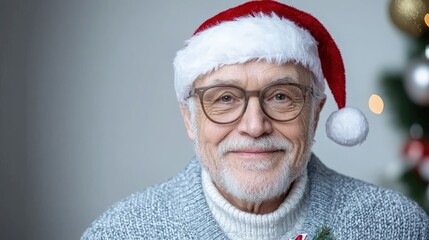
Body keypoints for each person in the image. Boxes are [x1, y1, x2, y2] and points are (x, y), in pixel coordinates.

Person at [81, 1, 429, 239]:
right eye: (225, 99)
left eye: (280, 97)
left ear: (316, 113)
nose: (254, 125)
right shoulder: (120, 232)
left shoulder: (397, 227)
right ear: (189, 119)